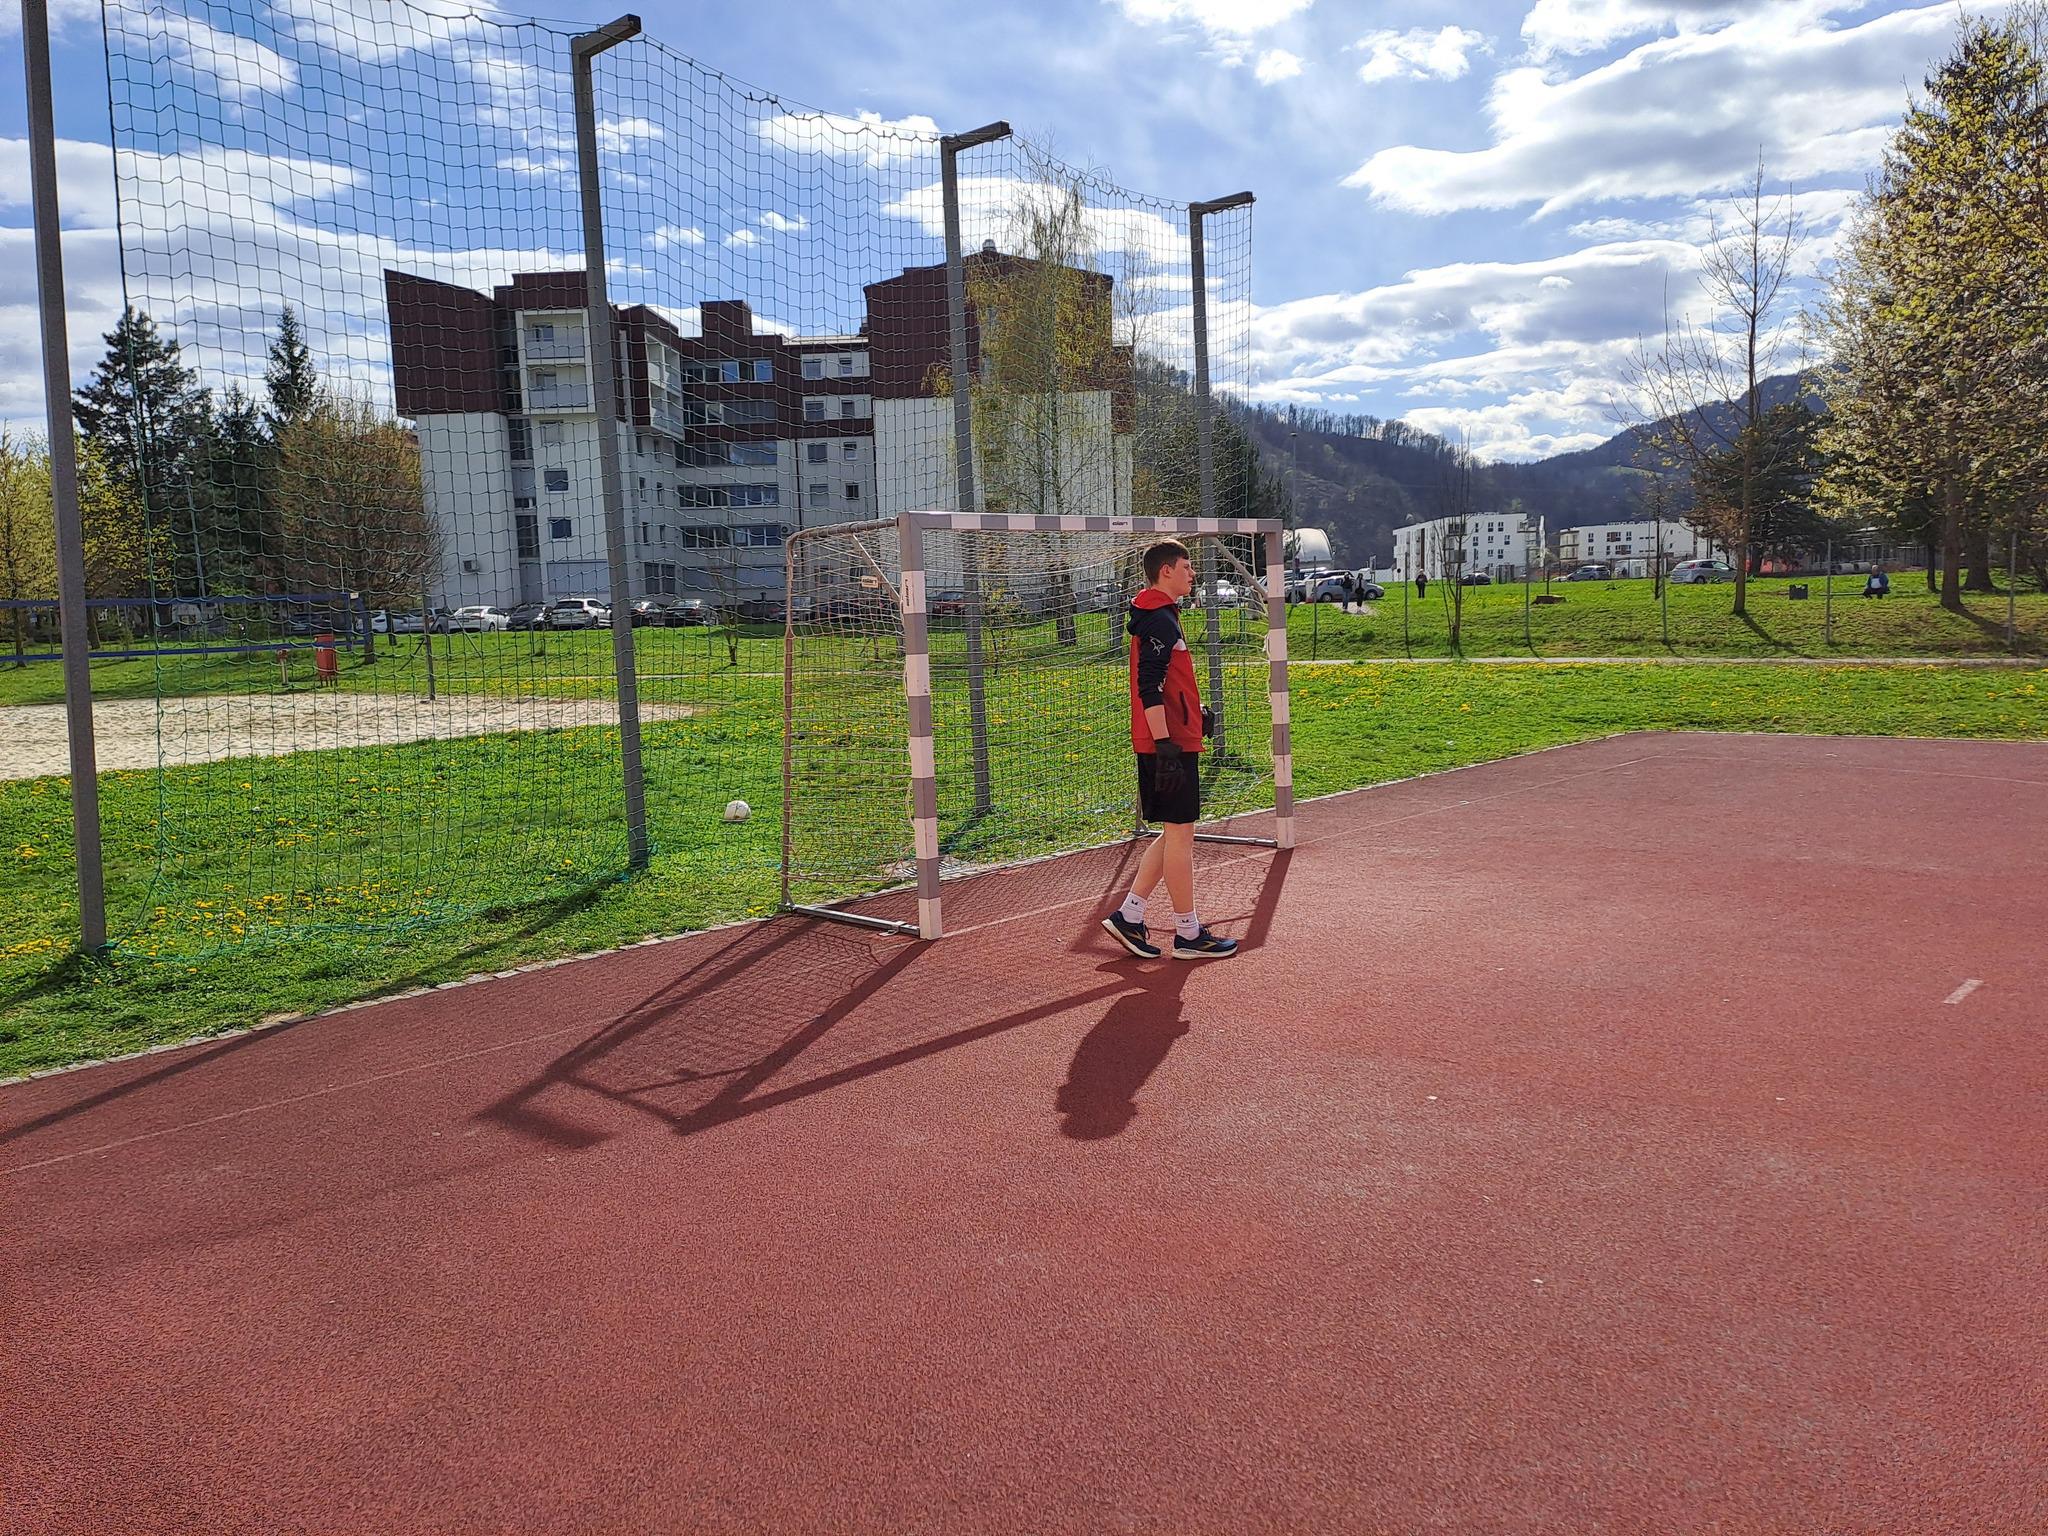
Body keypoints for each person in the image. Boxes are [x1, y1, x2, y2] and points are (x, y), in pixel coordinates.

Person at [1100, 540, 1238, 961]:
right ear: (1166, 571)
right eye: (1186, 566)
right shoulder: (1159, 619)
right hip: (1168, 743)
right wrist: (1164, 745)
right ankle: (1188, 933)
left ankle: (1130, 915)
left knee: (1176, 832)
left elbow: (1169, 683)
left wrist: (1194, 713)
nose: (1192, 573)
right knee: (1181, 836)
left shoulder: (1162, 615)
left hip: (1175, 737)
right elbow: (1149, 686)